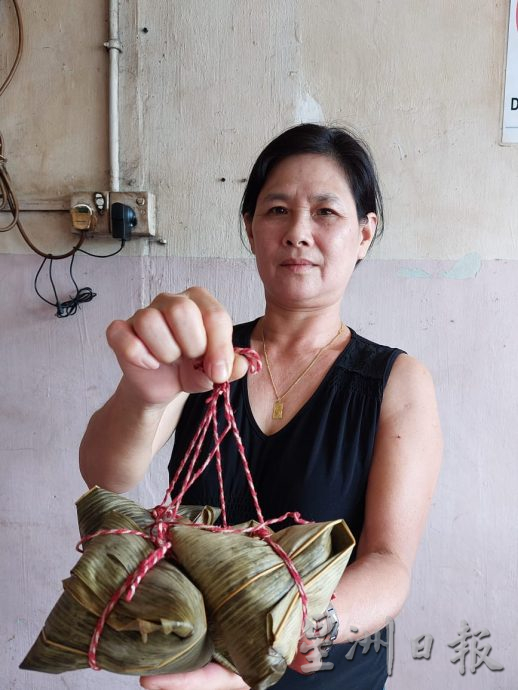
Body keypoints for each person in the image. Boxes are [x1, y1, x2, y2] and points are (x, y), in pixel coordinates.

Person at [79, 123, 442, 690]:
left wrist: (276, 632)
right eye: (276, 210)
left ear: (365, 234)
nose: (298, 232)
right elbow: (106, 475)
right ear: (250, 228)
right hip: (192, 669)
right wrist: (144, 393)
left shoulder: (396, 383)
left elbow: (388, 565)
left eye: (326, 212)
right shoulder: (205, 355)